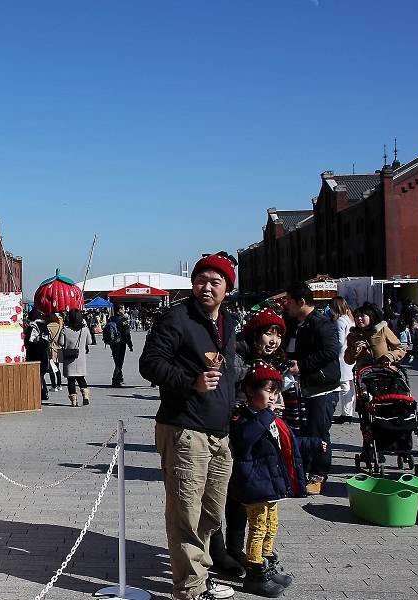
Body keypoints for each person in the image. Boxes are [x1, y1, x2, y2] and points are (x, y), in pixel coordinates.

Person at [140, 252, 239, 600]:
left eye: (215, 281)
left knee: (211, 513)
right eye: (201, 280)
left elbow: (229, 371)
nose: (207, 287)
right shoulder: (177, 319)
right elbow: (149, 364)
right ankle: (190, 589)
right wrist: (189, 381)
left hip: (220, 432)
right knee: (185, 513)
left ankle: (202, 572)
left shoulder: (228, 320)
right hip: (185, 430)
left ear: (228, 287)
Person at [211, 306, 292, 580]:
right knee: (227, 495)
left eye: (278, 334)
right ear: (255, 332)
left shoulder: (267, 359)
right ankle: (223, 551)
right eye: (269, 333)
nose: (274, 340)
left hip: (254, 433)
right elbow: (230, 385)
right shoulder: (240, 353)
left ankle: (237, 551)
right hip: (233, 431)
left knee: (242, 495)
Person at [230, 362, 303, 598]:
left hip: (269, 485)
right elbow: (243, 439)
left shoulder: (269, 417)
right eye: (268, 391)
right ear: (250, 391)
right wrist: (266, 415)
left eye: (275, 392)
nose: (273, 397)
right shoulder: (243, 417)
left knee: (271, 525)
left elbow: (288, 443)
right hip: (254, 485)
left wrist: (313, 445)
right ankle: (255, 572)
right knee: (258, 527)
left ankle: (268, 563)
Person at [282, 281, 340, 496]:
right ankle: (301, 470)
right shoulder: (294, 322)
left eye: (289, 301)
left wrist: (303, 365)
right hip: (298, 387)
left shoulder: (321, 323)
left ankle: (319, 474)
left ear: (302, 302)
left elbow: (331, 352)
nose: (286, 305)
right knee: (300, 431)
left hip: (321, 387)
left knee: (318, 432)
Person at [344, 303, 406, 371]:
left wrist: (390, 356)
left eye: (362, 316)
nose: (359, 319)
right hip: (365, 375)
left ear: (371, 317)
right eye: (356, 316)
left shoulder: (382, 330)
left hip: (385, 372)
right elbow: (348, 361)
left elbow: (400, 349)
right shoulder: (352, 336)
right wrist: (354, 349)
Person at [57, 308, 94, 407]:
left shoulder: (65, 329)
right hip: (80, 358)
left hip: (69, 359)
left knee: (71, 380)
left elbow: (60, 343)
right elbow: (90, 342)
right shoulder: (85, 329)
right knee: (81, 378)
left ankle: (74, 401)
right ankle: (85, 396)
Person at [331, 297, 356, 424]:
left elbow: (340, 341)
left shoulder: (340, 320)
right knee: (350, 385)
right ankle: (348, 412)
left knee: (345, 385)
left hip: (342, 355)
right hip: (350, 353)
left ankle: (346, 414)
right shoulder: (350, 319)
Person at [24, 309, 53, 401]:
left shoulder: (32, 326)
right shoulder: (45, 326)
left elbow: (29, 341)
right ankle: (43, 393)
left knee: (35, 375)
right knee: (41, 374)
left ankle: (39, 393)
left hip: (34, 354)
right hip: (44, 354)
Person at [105, 306, 131, 386]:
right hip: (121, 343)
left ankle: (120, 378)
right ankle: (115, 379)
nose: (124, 310)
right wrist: (130, 344)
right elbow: (127, 334)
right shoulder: (123, 320)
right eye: (123, 309)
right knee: (119, 362)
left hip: (112, 343)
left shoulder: (110, 319)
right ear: (119, 310)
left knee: (116, 360)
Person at [48, 313, 65, 392]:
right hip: (59, 349)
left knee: (51, 368)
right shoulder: (60, 327)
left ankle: (53, 385)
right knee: (57, 368)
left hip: (51, 349)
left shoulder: (48, 327)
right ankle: (59, 384)